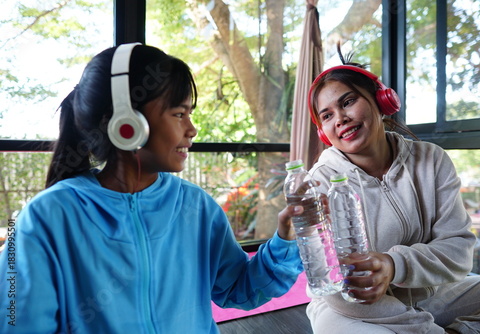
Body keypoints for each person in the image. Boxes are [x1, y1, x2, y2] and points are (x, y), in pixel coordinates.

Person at [0, 43, 303, 333]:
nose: (192, 129)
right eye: (179, 114)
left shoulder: (196, 207)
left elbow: (239, 288)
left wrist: (285, 239)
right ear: (127, 123)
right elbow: (18, 323)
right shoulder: (45, 218)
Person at [302, 48, 480, 333]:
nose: (340, 118)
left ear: (382, 100)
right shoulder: (318, 184)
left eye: (348, 101)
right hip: (353, 308)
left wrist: (395, 264)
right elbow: (334, 288)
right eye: (327, 115)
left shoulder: (431, 160)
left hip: (430, 293)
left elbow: (458, 253)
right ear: (324, 132)